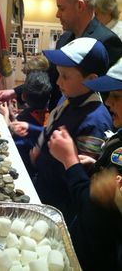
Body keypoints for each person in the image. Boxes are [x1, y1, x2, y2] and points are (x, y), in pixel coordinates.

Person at [0, 0, 122, 111]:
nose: (57, 14)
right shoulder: (65, 38)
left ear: (80, 6)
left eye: (61, 8)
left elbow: (109, 97)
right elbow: (51, 74)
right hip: (59, 117)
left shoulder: (107, 41)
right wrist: (16, 92)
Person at [48, 57, 122, 271]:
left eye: (117, 96)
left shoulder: (98, 120)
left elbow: (93, 213)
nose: (108, 102)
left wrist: (70, 161)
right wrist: (96, 165)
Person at [31, 37, 113, 226]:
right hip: (45, 186)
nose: (58, 82)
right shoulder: (69, 98)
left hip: (61, 205)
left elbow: (81, 177)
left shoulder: (95, 121)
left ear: (92, 80)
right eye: (58, 74)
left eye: (66, 76)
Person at [0, 71, 52, 179]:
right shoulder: (49, 114)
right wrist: (13, 117)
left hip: (22, 168)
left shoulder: (26, 117)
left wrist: (5, 115)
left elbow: (7, 138)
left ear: (23, 96)